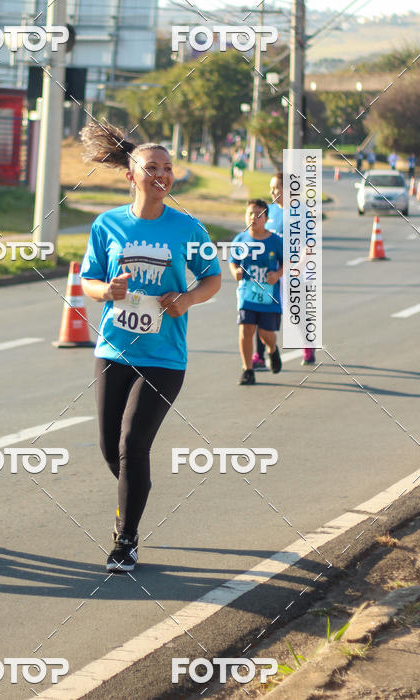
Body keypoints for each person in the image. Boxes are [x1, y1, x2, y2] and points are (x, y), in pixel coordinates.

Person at [79, 121, 222, 572]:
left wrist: (188, 299)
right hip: (114, 349)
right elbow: (88, 280)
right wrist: (108, 292)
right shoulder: (107, 225)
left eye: (167, 168)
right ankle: (133, 500)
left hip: (163, 356)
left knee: (132, 442)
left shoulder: (187, 228)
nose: (161, 175)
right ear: (131, 175)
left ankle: (126, 539)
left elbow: (214, 277)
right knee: (110, 448)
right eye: (151, 167)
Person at [252, 172, 316, 368]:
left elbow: (309, 245)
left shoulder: (302, 213)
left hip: (293, 273)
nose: (272, 191)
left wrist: (299, 266)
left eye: (276, 188)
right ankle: (260, 356)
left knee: (295, 314)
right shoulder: (268, 211)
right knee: (260, 311)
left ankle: (307, 344)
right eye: (271, 188)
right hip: (269, 273)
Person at [230, 200, 283, 385]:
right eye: (250, 213)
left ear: (267, 218)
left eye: (258, 214)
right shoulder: (241, 239)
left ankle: (272, 349)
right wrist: (235, 271)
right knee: (246, 330)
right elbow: (233, 261)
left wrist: (277, 274)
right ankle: (247, 370)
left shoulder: (275, 241)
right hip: (247, 293)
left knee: (266, 333)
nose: (254, 218)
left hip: (268, 295)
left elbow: (287, 261)